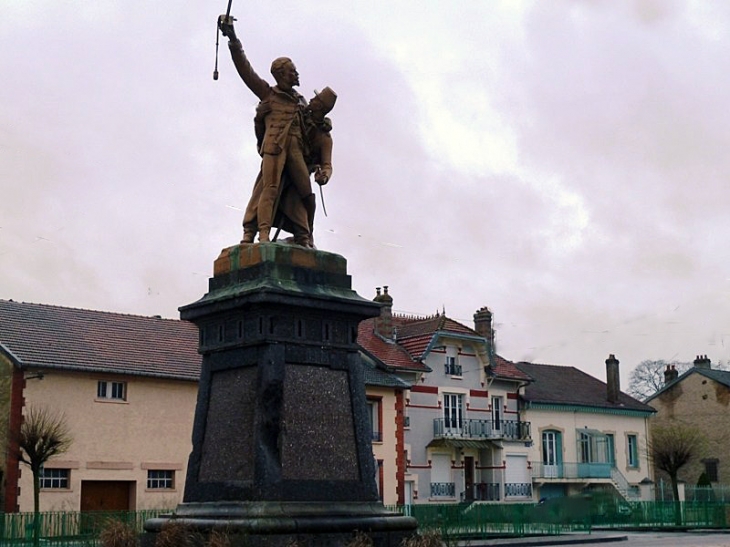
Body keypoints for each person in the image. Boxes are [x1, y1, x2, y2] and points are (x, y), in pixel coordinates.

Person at [219, 16, 311, 244]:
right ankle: (262, 233)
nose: (296, 74)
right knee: (269, 189)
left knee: (305, 193)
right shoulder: (268, 94)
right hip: (275, 148)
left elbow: (314, 127)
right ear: (281, 75)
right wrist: (232, 38)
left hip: (296, 151)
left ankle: (304, 234)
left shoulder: (301, 102)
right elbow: (245, 70)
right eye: (292, 71)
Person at [242, 87, 337, 247]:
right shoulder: (297, 113)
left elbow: (327, 165)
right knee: (262, 192)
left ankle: (305, 236)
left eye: (316, 99)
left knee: (305, 202)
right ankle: (250, 230)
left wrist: (324, 176)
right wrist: (260, 117)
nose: (311, 101)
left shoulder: (324, 137)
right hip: (278, 161)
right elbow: (270, 128)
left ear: (320, 106)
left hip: (299, 175)